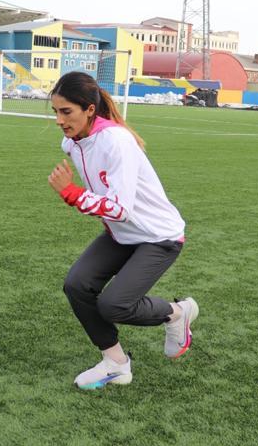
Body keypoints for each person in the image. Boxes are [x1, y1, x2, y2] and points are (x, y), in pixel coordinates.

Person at [46, 71, 198, 390]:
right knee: (77, 284)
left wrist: (71, 193)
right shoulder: (72, 142)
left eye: (66, 111)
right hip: (122, 235)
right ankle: (115, 363)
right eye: (56, 112)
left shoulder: (117, 141)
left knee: (114, 305)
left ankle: (176, 313)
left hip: (159, 236)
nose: (59, 120)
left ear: (89, 109)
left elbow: (119, 208)